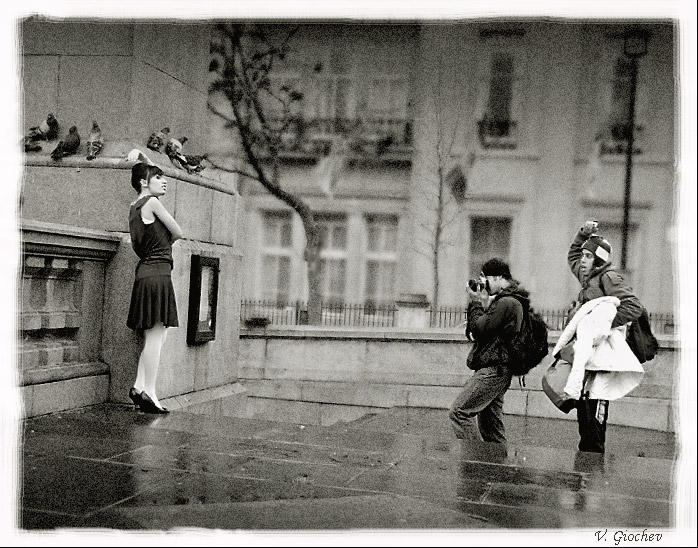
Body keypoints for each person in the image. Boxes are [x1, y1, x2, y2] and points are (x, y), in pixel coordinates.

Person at [567, 220, 643, 452]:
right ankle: (588, 465)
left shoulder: (608, 278)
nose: (582, 260)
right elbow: (572, 257)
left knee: (595, 411)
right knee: (584, 411)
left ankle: (593, 468)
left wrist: (602, 324)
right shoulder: (589, 278)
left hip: (604, 355)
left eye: (588, 257)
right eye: (583, 256)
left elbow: (633, 307)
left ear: (599, 260)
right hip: (591, 356)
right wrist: (583, 235)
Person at [125, 148, 183, 414]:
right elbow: (178, 232)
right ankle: (150, 391)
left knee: (156, 337)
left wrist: (144, 161)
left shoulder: (134, 208)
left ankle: (138, 387)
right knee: (156, 335)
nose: (164, 181)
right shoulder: (152, 203)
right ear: (143, 182)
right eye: (158, 177)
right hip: (158, 273)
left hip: (146, 272)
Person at [449, 258, 529, 445]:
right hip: (499, 370)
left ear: (498, 277)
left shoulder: (507, 302)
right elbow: (483, 330)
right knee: (491, 429)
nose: (483, 283)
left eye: (485, 278)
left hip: (493, 370)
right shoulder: (510, 301)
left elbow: (478, 329)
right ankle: (499, 468)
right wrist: (482, 302)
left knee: (459, 413)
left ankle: (477, 462)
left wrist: (475, 302)